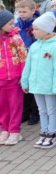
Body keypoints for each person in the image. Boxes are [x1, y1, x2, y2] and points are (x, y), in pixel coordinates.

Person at [21, 13, 56, 149]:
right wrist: (25, 81)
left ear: (46, 30)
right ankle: (44, 131)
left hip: (49, 86)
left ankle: (51, 134)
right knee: (41, 110)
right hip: (36, 85)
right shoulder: (34, 47)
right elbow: (28, 65)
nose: (33, 31)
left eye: (36, 29)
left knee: (51, 110)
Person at [0, 10, 27, 146]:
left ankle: (15, 131)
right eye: (9, 23)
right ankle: (5, 129)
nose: (13, 25)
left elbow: (23, 58)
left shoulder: (16, 38)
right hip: (1, 80)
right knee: (2, 107)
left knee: (15, 106)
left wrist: (23, 77)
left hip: (15, 79)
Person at [15, 0, 40, 125]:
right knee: (23, 86)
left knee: (32, 87)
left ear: (32, 10)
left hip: (33, 57)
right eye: (20, 12)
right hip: (20, 58)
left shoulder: (36, 24)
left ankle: (35, 113)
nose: (22, 14)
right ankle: (25, 112)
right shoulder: (17, 24)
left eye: (24, 12)